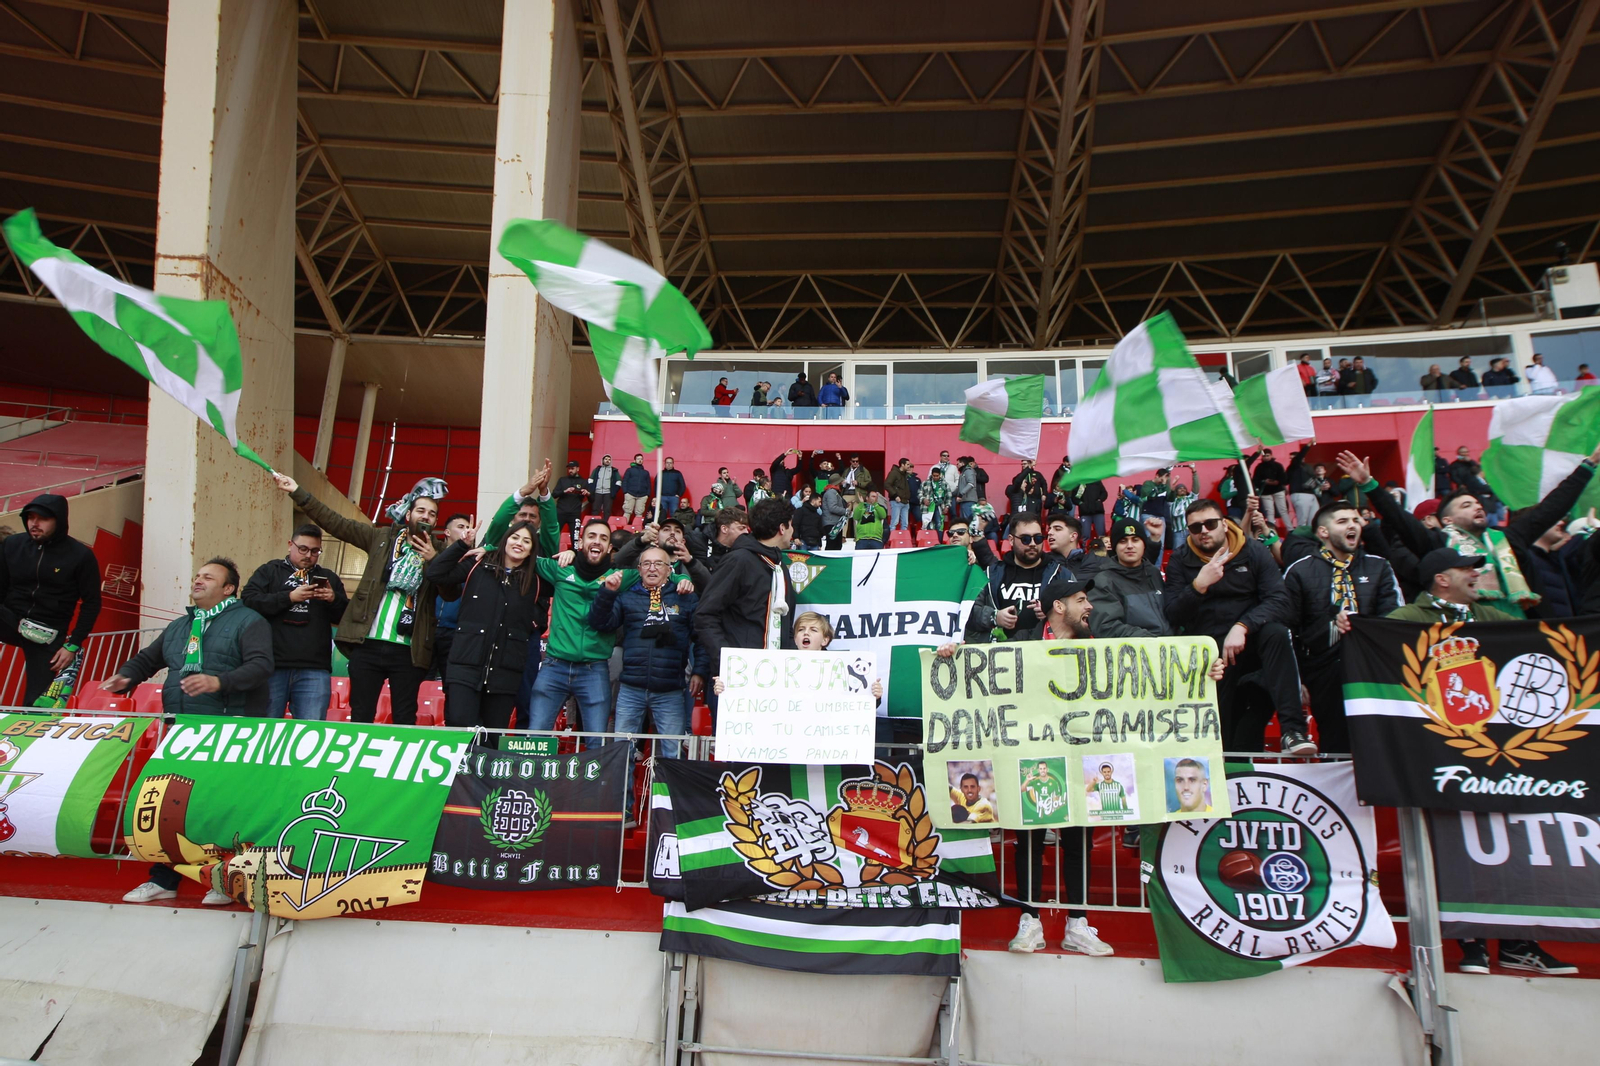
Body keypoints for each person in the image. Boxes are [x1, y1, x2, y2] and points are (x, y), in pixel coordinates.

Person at [1382, 548, 1575, 976]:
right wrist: (1354, 629)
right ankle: (1470, 943)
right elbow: (1378, 643)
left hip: (1501, 755)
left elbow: (1545, 641)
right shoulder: (1409, 617)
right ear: (1440, 579)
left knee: (1510, 848)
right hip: (1441, 752)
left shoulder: (1491, 618)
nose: (1476, 574)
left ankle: (1517, 942)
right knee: (1452, 846)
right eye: (1466, 568)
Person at [939, 578, 1114, 957]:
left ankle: (1078, 925)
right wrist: (955, 652)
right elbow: (983, 666)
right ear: (1059, 607)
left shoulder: (1101, 645)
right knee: (1030, 841)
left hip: (1080, 758)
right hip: (1032, 760)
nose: (1090, 608)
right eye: (1082, 600)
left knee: (1077, 841)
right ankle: (1030, 921)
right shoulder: (1023, 641)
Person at [113, 557, 272, 906]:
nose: (198, 581)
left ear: (228, 588)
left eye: (208, 577)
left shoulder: (249, 621)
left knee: (221, 808)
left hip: (227, 730)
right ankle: (164, 880)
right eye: (197, 575)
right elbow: (147, 659)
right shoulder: (180, 625)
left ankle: (225, 879)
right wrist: (127, 675)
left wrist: (219, 681)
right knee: (172, 810)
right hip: (181, 730)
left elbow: (261, 667)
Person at [1338, 446, 1598, 619]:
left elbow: (1553, 507)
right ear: (1447, 519)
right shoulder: (1438, 545)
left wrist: (1590, 464)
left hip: (1524, 632)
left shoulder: (1507, 538)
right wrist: (1369, 485)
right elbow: (1400, 520)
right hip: (1468, 634)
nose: (1477, 506)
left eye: (1477, 502)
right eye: (1466, 504)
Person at [276, 472, 446, 725]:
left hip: (408, 650)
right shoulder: (382, 539)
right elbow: (336, 523)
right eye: (420, 510)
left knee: (404, 717)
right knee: (361, 715)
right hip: (367, 643)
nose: (426, 516)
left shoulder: (440, 552)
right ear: (409, 514)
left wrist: (434, 561)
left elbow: (451, 591)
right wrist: (297, 491)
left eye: (432, 514)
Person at [1163, 498, 1316, 756]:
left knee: (1277, 632)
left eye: (1210, 524)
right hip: (1211, 652)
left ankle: (1293, 731)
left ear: (1224, 524)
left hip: (1254, 643)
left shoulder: (1252, 550)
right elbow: (1173, 613)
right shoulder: (1181, 559)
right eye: (1195, 527)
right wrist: (1198, 586)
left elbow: (1280, 600)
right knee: (1228, 732)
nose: (1203, 531)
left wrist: (1244, 625)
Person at [1281, 504, 1401, 753]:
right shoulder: (1300, 570)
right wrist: (1298, 680)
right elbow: (1287, 629)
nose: (1352, 526)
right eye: (1343, 521)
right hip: (1324, 670)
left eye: (1356, 521)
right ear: (1323, 532)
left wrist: (1360, 626)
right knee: (1337, 743)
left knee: (1381, 744)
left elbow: (1395, 619)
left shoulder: (1380, 567)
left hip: (1373, 667)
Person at [424, 519, 546, 733]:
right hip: (465, 663)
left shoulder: (535, 580)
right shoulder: (479, 563)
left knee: (492, 736)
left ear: (531, 550)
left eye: (527, 541)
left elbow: (551, 602)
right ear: (505, 540)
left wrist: (571, 554)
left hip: (506, 672)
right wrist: (462, 545)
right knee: (460, 729)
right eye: (515, 537)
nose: (519, 543)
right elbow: (436, 573)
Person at [588, 545, 708, 760]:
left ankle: (665, 795)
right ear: (639, 569)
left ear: (670, 569)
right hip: (631, 689)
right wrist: (607, 592)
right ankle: (624, 795)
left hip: (670, 690)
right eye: (646, 564)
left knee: (672, 754)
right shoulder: (626, 597)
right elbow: (600, 623)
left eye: (658, 563)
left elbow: (701, 638)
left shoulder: (686, 597)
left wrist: (699, 670)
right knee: (622, 754)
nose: (652, 568)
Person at [527, 515, 642, 739]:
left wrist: (680, 580)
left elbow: (655, 571)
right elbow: (519, 552)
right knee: (536, 738)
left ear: (610, 547)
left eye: (603, 538)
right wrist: (489, 547)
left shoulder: (619, 576)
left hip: (594, 669)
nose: (596, 541)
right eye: (591, 536)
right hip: (554, 666)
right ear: (580, 543)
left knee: (596, 743)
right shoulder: (560, 569)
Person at [0, 494, 102, 705]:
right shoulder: (12, 544)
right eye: (30, 517)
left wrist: (73, 645)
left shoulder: (81, 556)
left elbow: (92, 603)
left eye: (42, 519)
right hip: (10, 618)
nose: (34, 524)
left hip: (47, 631)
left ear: (59, 520)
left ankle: (27, 732)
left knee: (38, 702)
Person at [242, 525, 349, 720]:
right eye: (303, 549)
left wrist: (334, 599)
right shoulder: (270, 571)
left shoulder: (329, 577)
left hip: (314, 667)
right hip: (271, 665)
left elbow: (347, 618)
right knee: (264, 729)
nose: (309, 555)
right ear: (290, 545)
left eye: (315, 551)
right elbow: (248, 601)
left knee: (311, 734)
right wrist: (289, 597)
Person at [696, 499, 798, 696]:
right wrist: (728, 661)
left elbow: (785, 625)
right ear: (782, 528)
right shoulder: (738, 560)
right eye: (791, 524)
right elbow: (705, 615)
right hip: (737, 681)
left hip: (776, 678)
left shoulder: (779, 567)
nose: (793, 531)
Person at [963, 514, 1066, 642]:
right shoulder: (991, 574)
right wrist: (995, 616)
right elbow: (968, 613)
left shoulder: (1061, 574)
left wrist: (1052, 615)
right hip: (1000, 654)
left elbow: (1079, 614)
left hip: (1045, 655)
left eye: (1038, 538)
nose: (1033, 544)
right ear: (1011, 540)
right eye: (1026, 539)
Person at [1087, 518, 1169, 638]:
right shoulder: (1103, 581)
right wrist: (1150, 641)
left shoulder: (1153, 573)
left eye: (1135, 540)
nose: (1130, 546)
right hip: (1137, 651)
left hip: (1171, 648)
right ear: (1115, 547)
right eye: (1123, 541)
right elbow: (1105, 626)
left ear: (1143, 545)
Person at [429, 513, 474, 679]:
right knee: (422, 681)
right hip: (428, 627)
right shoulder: (433, 553)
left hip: (455, 631)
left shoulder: (472, 559)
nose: (466, 531)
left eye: (469, 528)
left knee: (451, 682)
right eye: (461, 527)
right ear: (447, 532)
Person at [554, 460, 591, 541]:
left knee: (575, 538)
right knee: (554, 535)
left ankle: (574, 553)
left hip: (575, 513)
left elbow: (592, 500)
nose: (570, 470)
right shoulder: (562, 480)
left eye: (572, 468)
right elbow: (554, 494)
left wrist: (587, 493)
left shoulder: (584, 481)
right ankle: (552, 553)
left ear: (578, 469)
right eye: (569, 469)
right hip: (561, 512)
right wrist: (565, 491)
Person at [1252, 448, 1289, 528]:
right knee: (1269, 512)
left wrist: (1278, 482)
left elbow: (1284, 478)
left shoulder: (1278, 465)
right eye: (1264, 456)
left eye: (1267, 455)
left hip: (1278, 490)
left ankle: (1290, 529)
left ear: (1271, 455)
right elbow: (1255, 480)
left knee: (1283, 510)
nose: (1266, 457)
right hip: (1266, 492)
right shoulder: (1259, 467)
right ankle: (1272, 529)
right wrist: (1264, 481)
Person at [1286, 443, 1320, 529]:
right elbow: (1298, 457)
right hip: (1300, 494)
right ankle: (1302, 541)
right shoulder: (1293, 467)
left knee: (1314, 521)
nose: (1292, 459)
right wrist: (1308, 445)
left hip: (1311, 494)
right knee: (1302, 523)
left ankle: (1311, 541)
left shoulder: (1307, 467)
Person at [1068, 473, 1109, 540]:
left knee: (1101, 534)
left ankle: (1102, 549)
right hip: (1085, 512)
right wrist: (1081, 503)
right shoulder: (1078, 484)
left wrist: (1099, 500)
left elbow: (1104, 493)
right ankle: (1085, 549)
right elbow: (1074, 498)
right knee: (1085, 535)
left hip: (1098, 511)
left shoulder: (1096, 481)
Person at [620, 453, 653, 527]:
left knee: (639, 513)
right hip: (630, 494)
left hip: (642, 495)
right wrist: (625, 492)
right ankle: (623, 528)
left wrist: (647, 494)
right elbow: (625, 481)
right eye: (638, 459)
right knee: (627, 512)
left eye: (641, 459)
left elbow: (648, 484)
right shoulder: (629, 470)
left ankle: (638, 529)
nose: (640, 460)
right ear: (634, 460)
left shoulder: (646, 472)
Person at [819, 475, 850, 550]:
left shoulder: (833, 492)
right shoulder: (832, 492)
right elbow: (832, 508)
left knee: (836, 546)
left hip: (834, 523)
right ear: (837, 482)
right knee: (832, 546)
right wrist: (845, 511)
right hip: (832, 524)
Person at [883, 458, 913, 534]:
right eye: (908, 464)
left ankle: (903, 540)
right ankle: (891, 540)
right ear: (902, 465)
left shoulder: (905, 474)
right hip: (896, 501)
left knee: (905, 524)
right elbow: (886, 484)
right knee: (894, 523)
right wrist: (895, 495)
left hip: (905, 502)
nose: (909, 466)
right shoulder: (894, 473)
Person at [589, 454, 620, 520]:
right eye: (606, 459)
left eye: (609, 459)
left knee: (607, 511)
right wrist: (592, 490)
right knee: (595, 510)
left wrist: (614, 492)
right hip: (597, 492)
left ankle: (606, 525)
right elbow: (590, 480)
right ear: (603, 460)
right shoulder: (597, 469)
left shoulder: (614, 470)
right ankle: (594, 524)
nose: (607, 461)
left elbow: (618, 482)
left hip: (608, 493)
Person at [954, 456, 980, 525]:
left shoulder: (968, 471)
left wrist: (961, 494)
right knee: (963, 523)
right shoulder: (963, 473)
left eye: (958, 463)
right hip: (964, 501)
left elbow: (971, 484)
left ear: (962, 463)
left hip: (969, 501)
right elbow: (960, 488)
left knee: (968, 522)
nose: (957, 465)